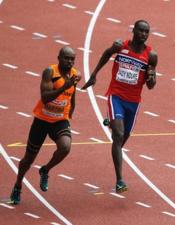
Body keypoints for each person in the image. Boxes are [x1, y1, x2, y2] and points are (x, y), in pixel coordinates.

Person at [82, 20, 158, 193]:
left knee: (122, 138)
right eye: (141, 30)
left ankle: (113, 122)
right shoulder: (120, 46)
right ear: (133, 31)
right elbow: (106, 54)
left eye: (147, 32)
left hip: (133, 102)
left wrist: (151, 78)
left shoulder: (151, 56)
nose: (144, 34)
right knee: (118, 134)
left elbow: (151, 86)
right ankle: (120, 180)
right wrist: (94, 75)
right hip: (116, 96)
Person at [10, 46, 81, 205]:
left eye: (72, 59)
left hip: (59, 120)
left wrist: (72, 110)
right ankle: (18, 184)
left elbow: (72, 91)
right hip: (42, 121)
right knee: (28, 160)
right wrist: (64, 86)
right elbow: (45, 98)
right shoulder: (50, 72)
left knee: (65, 147)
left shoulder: (75, 75)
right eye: (66, 58)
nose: (70, 62)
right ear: (59, 58)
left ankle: (45, 170)